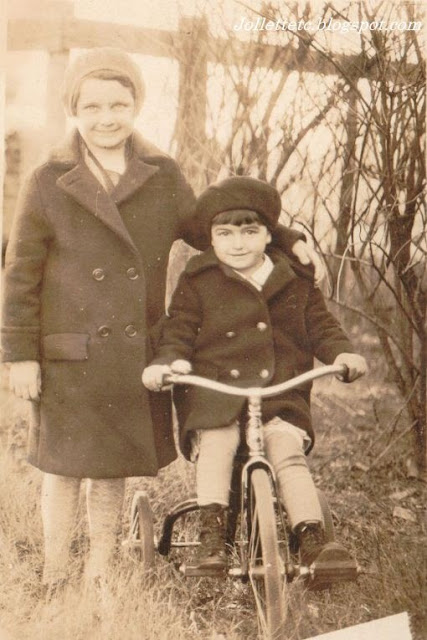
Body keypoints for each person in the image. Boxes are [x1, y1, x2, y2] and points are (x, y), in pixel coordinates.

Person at [1, 48, 321, 593]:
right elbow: (19, 273)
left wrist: (287, 239)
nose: (107, 118)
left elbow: (213, 231)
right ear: (73, 109)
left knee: (110, 468)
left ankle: (101, 568)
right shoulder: (48, 178)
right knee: (62, 468)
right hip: (67, 350)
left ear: (136, 105)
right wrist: (20, 355)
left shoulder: (162, 174)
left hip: (129, 352)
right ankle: (57, 572)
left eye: (119, 104)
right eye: (93, 105)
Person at [142, 176, 368, 574]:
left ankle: (313, 538)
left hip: (278, 391)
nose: (237, 243)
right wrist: (169, 362)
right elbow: (178, 328)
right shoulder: (198, 278)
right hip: (217, 392)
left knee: (287, 449)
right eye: (224, 233)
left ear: (269, 236)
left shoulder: (295, 278)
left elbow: (322, 325)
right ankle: (212, 536)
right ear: (210, 238)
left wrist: (344, 354)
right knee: (217, 440)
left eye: (250, 231)